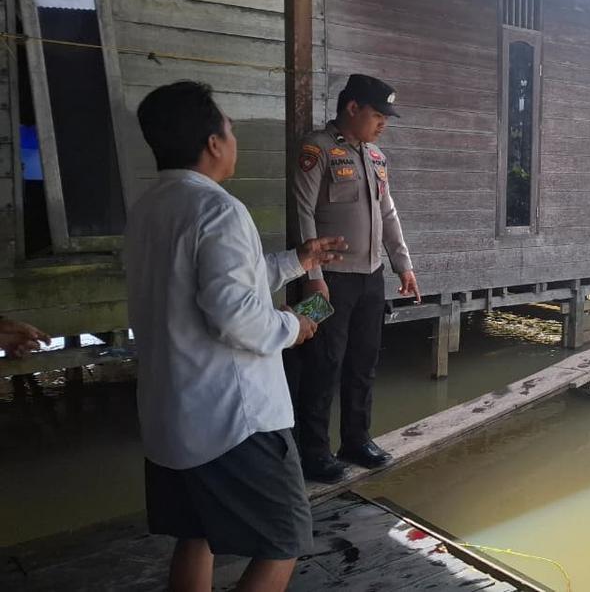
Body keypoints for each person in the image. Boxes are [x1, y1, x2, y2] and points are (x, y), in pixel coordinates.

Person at [125, 81, 347, 592]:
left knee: (195, 532)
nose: (233, 137)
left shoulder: (150, 208)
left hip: (169, 417)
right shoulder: (219, 209)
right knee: (286, 539)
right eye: (229, 127)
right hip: (232, 422)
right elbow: (238, 317)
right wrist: (295, 326)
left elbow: (210, 285)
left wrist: (299, 260)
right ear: (213, 143)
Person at [289, 74, 421, 484]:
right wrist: (311, 276)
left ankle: (356, 440)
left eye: (386, 117)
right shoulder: (318, 150)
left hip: (370, 278)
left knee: (363, 360)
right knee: (321, 363)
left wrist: (404, 265)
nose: (383, 123)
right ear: (352, 109)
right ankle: (312, 452)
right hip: (327, 279)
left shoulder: (377, 157)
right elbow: (301, 213)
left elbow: (388, 214)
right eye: (378, 115)